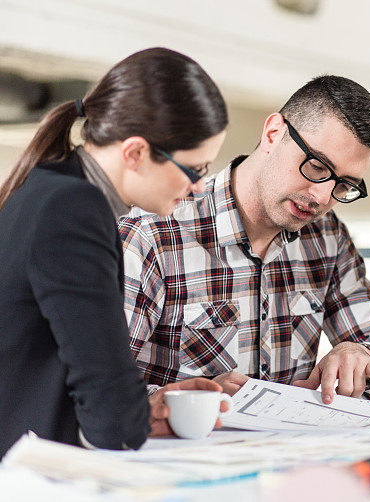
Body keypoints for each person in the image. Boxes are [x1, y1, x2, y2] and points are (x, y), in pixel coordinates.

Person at [120, 75, 370, 405]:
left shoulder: (326, 237)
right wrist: (190, 399)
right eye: (317, 166)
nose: (322, 196)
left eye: (344, 185)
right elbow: (95, 388)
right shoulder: (154, 235)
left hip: (289, 453)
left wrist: (363, 355)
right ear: (273, 134)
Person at [0, 47, 230, 457]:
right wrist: (130, 415)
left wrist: (139, 408)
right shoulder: (74, 208)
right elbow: (114, 425)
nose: (199, 186)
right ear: (136, 153)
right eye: (195, 168)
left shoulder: (46, 188)